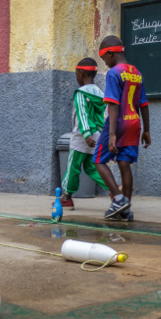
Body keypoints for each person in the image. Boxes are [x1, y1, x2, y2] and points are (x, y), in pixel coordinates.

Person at [94, 36, 151, 221]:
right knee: (125, 165)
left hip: (118, 123)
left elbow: (113, 105)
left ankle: (118, 199)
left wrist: (111, 134)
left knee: (98, 160)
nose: (105, 64)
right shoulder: (137, 72)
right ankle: (126, 209)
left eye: (104, 60)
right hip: (135, 123)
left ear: (110, 53)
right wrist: (147, 130)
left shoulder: (114, 73)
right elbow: (143, 104)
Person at [59, 57, 109, 209]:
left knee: (73, 166)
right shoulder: (100, 93)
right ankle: (114, 189)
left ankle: (66, 197)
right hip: (97, 135)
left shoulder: (81, 93)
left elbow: (82, 114)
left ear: (80, 73)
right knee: (91, 167)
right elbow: (104, 115)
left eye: (76, 74)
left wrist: (86, 134)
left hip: (82, 136)